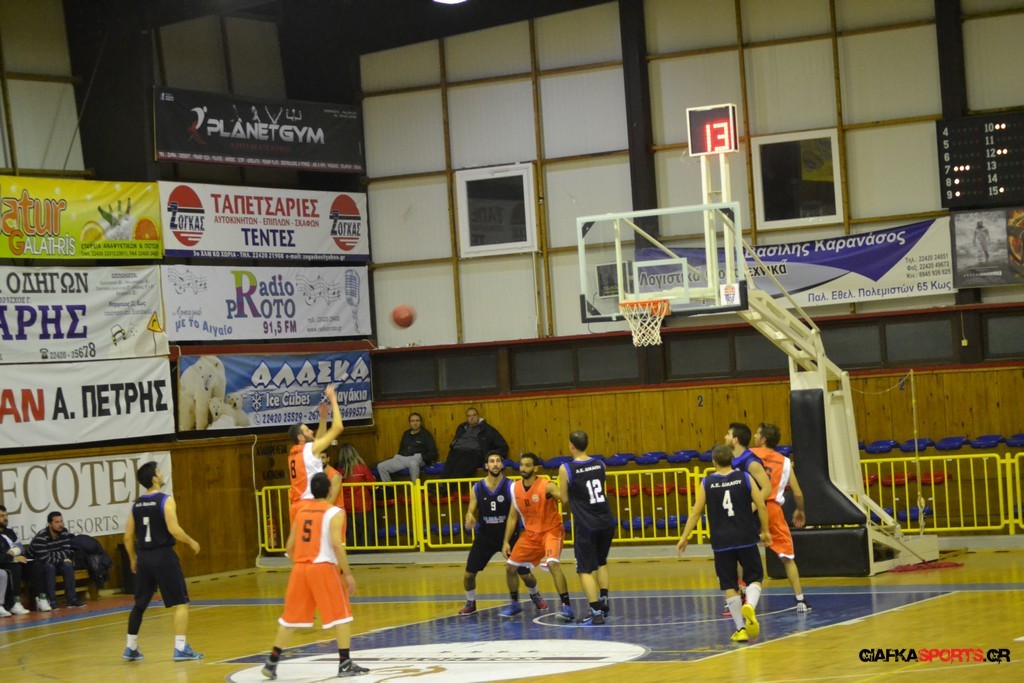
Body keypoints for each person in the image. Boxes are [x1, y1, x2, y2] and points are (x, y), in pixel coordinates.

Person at [261, 472, 368, 679]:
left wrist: (301, 564)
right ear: (330, 490)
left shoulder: (301, 512)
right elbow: (337, 545)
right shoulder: (334, 512)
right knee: (342, 616)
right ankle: (345, 663)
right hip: (323, 567)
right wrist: (348, 575)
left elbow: (289, 547)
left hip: (300, 569)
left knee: (289, 618)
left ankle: (271, 662)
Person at [676, 444, 771, 643]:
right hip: (745, 537)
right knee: (755, 577)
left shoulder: (707, 482)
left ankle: (740, 629)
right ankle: (750, 606)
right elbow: (761, 505)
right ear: (732, 460)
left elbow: (696, 512)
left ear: (714, 462)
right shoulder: (745, 477)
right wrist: (765, 530)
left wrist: (685, 537)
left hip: (721, 542)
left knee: (729, 583)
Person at [122, 461, 203, 661]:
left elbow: (127, 536)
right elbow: (174, 529)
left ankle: (130, 647)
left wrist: (132, 559)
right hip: (163, 556)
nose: (161, 473)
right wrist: (191, 541)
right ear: (154, 478)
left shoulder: (136, 505)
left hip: (144, 558)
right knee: (181, 602)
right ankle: (181, 648)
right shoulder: (165, 500)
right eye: (158, 471)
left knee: (140, 604)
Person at [458, 452, 540, 616]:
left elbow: (516, 513)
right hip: (486, 536)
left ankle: (535, 594)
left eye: (497, 461)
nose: (495, 464)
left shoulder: (511, 486)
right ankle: (470, 602)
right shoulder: (477, 488)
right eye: (491, 461)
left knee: (526, 575)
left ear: (502, 464)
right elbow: (470, 510)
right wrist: (469, 517)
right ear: (486, 466)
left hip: (509, 536)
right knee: (469, 574)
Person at [503, 452, 574, 621]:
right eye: (521, 465)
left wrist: (567, 493)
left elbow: (564, 499)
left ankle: (566, 607)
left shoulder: (547, 486)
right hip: (531, 534)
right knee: (510, 567)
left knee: (552, 564)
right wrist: (505, 541)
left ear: (535, 468)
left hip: (551, 531)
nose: (523, 468)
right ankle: (514, 603)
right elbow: (512, 517)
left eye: (527, 465)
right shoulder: (515, 488)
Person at [751, 423, 811, 612]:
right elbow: (798, 493)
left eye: (757, 434)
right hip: (772, 509)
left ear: (763, 439)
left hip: (751, 506)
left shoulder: (749, 455)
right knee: (787, 557)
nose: (754, 436)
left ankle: (736, 598)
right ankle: (800, 600)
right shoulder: (784, 461)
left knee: (741, 551)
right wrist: (800, 511)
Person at [558, 430, 615, 625]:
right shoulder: (600, 464)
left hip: (586, 523)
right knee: (601, 561)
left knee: (584, 569)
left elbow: (564, 499)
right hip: (606, 520)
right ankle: (604, 599)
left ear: (571, 446)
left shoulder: (566, 468)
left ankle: (595, 611)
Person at [288, 385, 345, 520]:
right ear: (300, 437)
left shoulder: (293, 454)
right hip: (310, 507)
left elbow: (318, 441)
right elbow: (338, 427)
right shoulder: (309, 451)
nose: (311, 431)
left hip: (297, 508)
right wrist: (333, 400)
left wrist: (323, 419)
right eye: (307, 430)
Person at [29, 511, 83, 611]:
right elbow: (45, 559)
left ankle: (71, 600)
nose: (60, 524)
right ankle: (52, 601)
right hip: (38, 564)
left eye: (61, 521)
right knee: (50, 567)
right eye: (57, 522)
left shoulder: (64, 532)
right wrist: (60, 557)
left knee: (68, 564)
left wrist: (56, 556)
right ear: (49, 524)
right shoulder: (41, 537)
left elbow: (66, 552)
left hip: (54, 561)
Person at [443, 407, 508, 478]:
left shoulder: (487, 429)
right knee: (448, 467)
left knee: (460, 470)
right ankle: (442, 482)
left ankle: (451, 483)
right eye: (469, 416)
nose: (472, 418)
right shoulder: (462, 427)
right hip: (456, 452)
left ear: (478, 416)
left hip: (474, 454)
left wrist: (491, 457)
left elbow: (503, 446)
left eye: (474, 415)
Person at [377, 412, 438, 482]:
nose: (415, 423)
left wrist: (422, 457)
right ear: (410, 422)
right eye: (412, 421)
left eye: (417, 420)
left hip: (417, 459)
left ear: (421, 422)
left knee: (413, 463)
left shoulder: (426, 434)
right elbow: (401, 449)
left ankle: (415, 487)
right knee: (381, 466)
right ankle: (389, 487)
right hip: (402, 458)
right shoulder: (406, 434)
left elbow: (433, 453)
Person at [336, 444, 376, 548]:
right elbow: (372, 485)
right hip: (363, 505)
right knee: (366, 532)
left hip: (347, 507)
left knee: (351, 532)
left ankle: (353, 553)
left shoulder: (339, 472)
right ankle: (366, 554)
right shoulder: (362, 468)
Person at [0, 505, 31, 616]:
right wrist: (12, 557)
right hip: (4, 563)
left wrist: (13, 552)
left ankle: (41, 598)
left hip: (14, 559)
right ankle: (14, 603)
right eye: (2, 516)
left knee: (35, 565)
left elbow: (21, 548)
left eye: (6, 515)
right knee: (14, 568)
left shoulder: (10, 532)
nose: (5, 518)